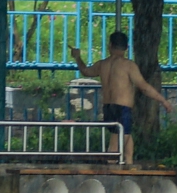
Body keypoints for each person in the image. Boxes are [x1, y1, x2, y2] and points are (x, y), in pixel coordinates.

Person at [71, 31, 171, 165]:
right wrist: (163, 100)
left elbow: (85, 71)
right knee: (116, 146)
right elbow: (144, 87)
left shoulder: (102, 64)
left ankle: (129, 162)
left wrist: (77, 57)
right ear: (126, 47)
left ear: (110, 45)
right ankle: (111, 173)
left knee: (126, 137)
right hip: (123, 109)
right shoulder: (128, 65)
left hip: (108, 108)